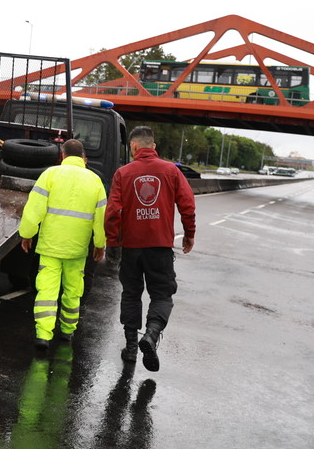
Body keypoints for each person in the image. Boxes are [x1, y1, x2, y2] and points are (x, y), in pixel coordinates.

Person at [105, 126, 197, 371]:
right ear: (153, 147)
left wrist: (113, 243)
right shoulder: (171, 171)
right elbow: (187, 205)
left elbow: (113, 211)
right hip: (160, 247)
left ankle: (132, 347)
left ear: (133, 147)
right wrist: (189, 234)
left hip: (132, 247)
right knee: (162, 295)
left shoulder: (123, 173)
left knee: (131, 294)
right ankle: (152, 336)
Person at [17, 138, 108, 350]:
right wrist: (99, 244)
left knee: (47, 291)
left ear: (62, 154)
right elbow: (101, 217)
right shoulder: (95, 181)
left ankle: (43, 335)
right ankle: (67, 331)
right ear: (83, 157)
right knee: (73, 290)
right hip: (77, 248)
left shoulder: (50, 175)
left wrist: (27, 234)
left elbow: (34, 208)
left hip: (50, 246)